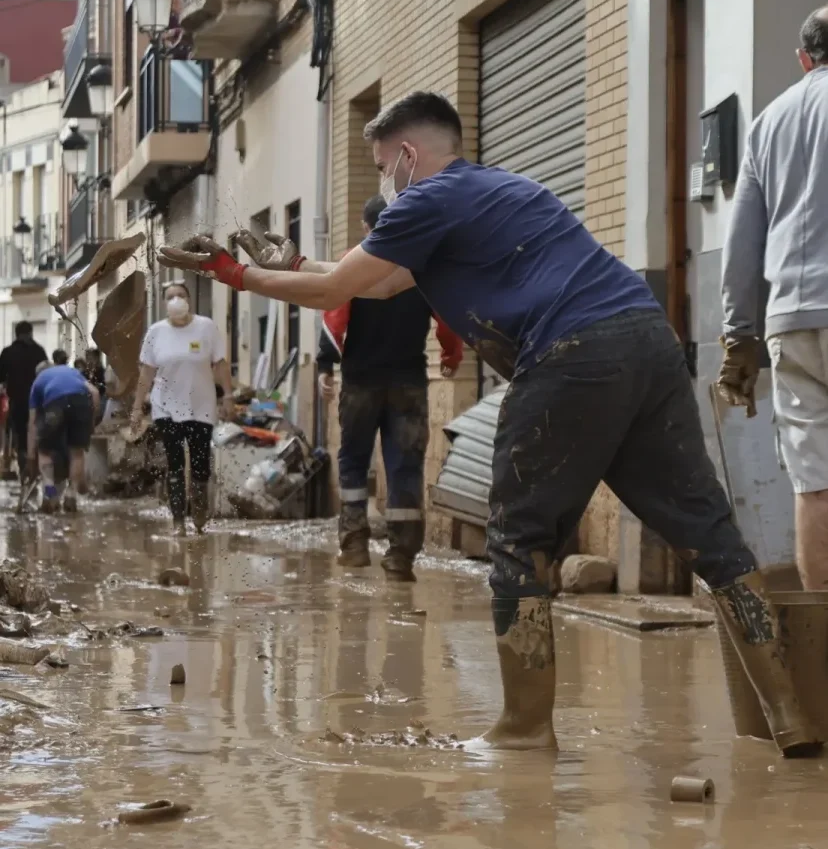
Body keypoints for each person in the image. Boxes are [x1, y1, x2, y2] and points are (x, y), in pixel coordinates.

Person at [158, 90, 821, 759]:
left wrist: (234, 273)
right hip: (648, 339)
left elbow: (338, 292)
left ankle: (525, 729)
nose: (384, 182)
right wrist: (292, 266)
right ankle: (790, 716)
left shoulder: (425, 198)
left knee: (517, 538)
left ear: (408, 154)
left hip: (571, 353)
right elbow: (376, 282)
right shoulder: (498, 190)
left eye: (383, 166)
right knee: (710, 534)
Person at [720, 7, 828, 592]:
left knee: (815, 483)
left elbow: (742, 240)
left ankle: (822, 636)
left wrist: (739, 336)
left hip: (791, 322)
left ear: (804, 59)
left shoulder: (769, 122)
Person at [313, 196, 463, 579]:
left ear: (366, 227)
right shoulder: (420, 265)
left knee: (353, 461)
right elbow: (448, 316)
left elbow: (333, 315)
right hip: (408, 383)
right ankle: (400, 558)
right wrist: (451, 354)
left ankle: (354, 545)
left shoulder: (354, 263)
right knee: (405, 465)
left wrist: (326, 364)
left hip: (360, 381)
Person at [131, 282, 233, 535]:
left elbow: (220, 363)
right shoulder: (156, 332)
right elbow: (146, 373)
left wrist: (228, 396)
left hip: (201, 406)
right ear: (164, 303)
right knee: (174, 462)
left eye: (180, 295)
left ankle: (199, 509)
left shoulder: (206, 327)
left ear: (189, 300)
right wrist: (137, 407)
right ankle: (178, 520)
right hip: (165, 406)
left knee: (200, 463)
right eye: (170, 297)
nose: (176, 300)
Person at [28, 359, 99, 513]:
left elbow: (32, 422)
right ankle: (71, 495)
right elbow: (94, 393)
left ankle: (50, 494)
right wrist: (90, 422)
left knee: (45, 451)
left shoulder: (38, 382)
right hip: (81, 403)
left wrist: (31, 452)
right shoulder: (72, 372)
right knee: (77, 453)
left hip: (55, 406)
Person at [0, 321, 48, 484]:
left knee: (21, 437)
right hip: (39, 400)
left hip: (17, 401)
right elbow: (45, 373)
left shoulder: (7, 352)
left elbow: (1, 377)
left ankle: (24, 473)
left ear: (16, 333)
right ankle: (39, 473)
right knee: (38, 435)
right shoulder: (39, 351)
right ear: (30, 333)